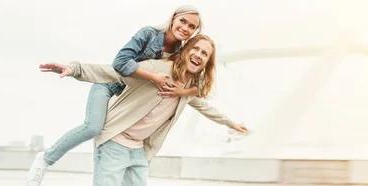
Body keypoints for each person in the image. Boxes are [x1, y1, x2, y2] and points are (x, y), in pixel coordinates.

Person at [27, 5, 205, 186]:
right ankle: (45, 159)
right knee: (93, 127)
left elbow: (201, 85)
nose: (185, 28)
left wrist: (182, 92)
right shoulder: (149, 34)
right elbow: (119, 62)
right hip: (108, 85)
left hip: (126, 98)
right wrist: (153, 78)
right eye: (183, 21)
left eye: (192, 27)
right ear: (173, 18)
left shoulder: (181, 53)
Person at [39, 34, 247, 186]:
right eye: (196, 49)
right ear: (185, 51)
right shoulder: (158, 69)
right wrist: (75, 69)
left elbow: (205, 107)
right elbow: (115, 72)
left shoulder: (186, 91)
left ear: (206, 63)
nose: (199, 55)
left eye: (204, 54)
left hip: (139, 152)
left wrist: (231, 123)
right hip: (115, 143)